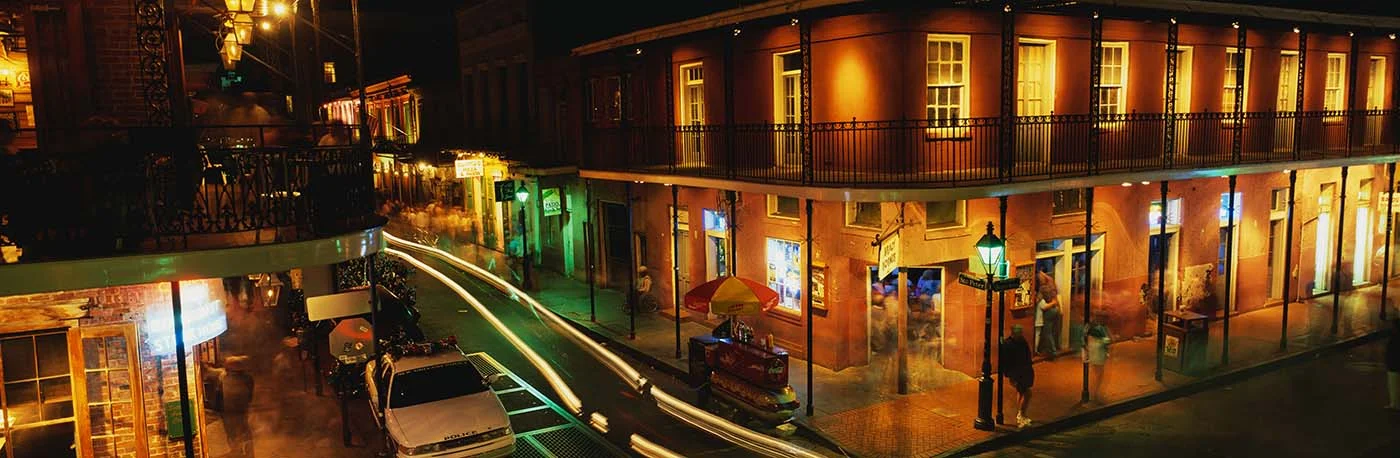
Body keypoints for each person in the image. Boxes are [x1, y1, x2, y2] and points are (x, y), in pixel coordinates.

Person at [205, 355, 256, 458]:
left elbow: (218, 394)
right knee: (243, 432)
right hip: (240, 410)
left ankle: (238, 452)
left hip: (230, 411)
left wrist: (217, 408)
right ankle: (247, 453)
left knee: (234, 433)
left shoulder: (224, 377)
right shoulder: (247, 378)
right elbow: (250, 394)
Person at [1000, 324, 1035, 428]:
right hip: (1018, 373)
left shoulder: (1019, 341)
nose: (1020, 334)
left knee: (1021, 392)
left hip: (1023, 371)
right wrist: (1009, 374)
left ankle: (1021, 414)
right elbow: (1006, 361)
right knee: (1027, 393)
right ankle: (1021, 415)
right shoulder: (1010, 344)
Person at [1083, 313, 1112, 403]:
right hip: (1099, 353)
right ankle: (1095, 394)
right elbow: (1105, 340)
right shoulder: (1100, 329)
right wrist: (1110, 340)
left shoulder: (1088, 327)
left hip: (1092, 352)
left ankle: (1094, 393)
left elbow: (1084, 338)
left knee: (1095, 373)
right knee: (1099, 375)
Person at [1035, 269, 1062, 358]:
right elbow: (1056, 297)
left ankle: (1051, 352)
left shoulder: (1042, 288)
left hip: (1049, 311)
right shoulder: (1052, 285)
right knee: (1054, 330)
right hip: (1056, 309)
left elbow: (1038, 300)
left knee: (1047, 332)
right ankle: (1055, 347)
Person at [1387, 318, 1400, 411]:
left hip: (1394, 365)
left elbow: (1392, 351)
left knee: (1393, 385)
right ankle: (1395, 403)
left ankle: (1395, 404)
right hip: (1395, 364)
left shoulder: (1395, 336)